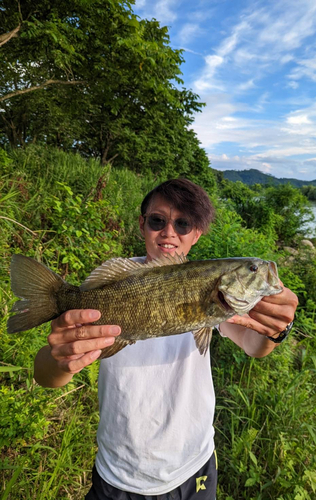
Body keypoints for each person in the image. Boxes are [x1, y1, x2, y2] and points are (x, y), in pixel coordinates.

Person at [34, 178, 298, 500]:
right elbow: (46, 375)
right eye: (158, 221)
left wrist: (276, 330)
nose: (169, 232)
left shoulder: (216, 304)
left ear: (196, 234)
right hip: (117, 472)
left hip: (193, 467)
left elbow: (255, 346)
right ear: (143, 224)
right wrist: (61, 359)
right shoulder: (118, 281)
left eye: (183, 223)